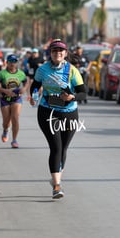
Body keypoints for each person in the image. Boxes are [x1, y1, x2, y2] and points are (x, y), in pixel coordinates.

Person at [29, 39, 86, 199]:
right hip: (48, 111)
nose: (58, 53)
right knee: (56, 148)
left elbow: (83, 92)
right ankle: (57, 186)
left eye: (61, 51)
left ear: (65, 53)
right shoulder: (42, 69)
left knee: (64, 148)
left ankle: (56, 176)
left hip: (69, 112)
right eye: (54, 51)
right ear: (50, 54)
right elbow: (35, 85)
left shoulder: (72, 70)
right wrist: (33, 96)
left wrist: (72, 97)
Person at [0, 54, 29, 148]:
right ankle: (5, 130)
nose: (12, 64)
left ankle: (14, 140)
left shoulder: (21, 73)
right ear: (7, 63)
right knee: (6, 121)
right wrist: (5, 91)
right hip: (5, 99)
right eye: (10, 62)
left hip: (17, 98)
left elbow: (26, 82)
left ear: (17, 63)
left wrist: (24, 89)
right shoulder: (2, 74)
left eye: (14, 62)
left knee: (15, 118)